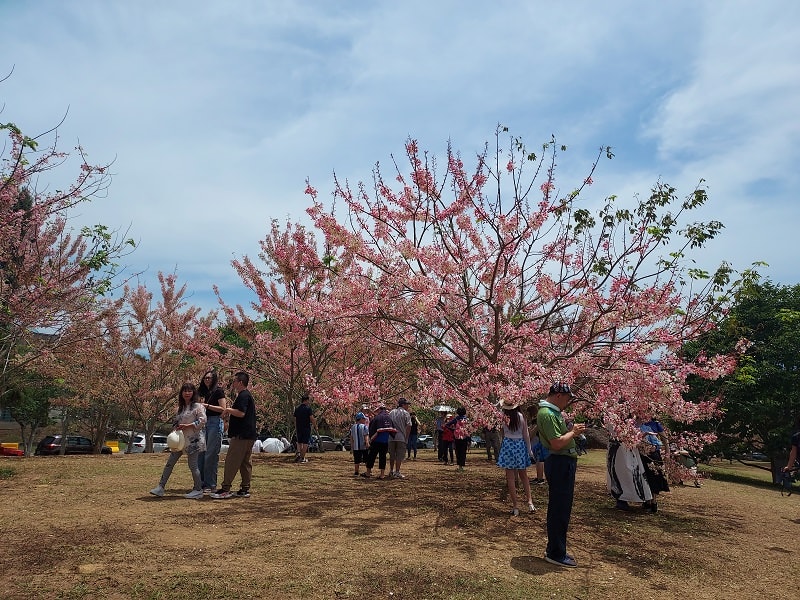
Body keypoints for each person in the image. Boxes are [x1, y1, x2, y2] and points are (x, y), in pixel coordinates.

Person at [537, 382, 586, 568]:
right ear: (558, 395)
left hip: (563, 462)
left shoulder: (553, 413)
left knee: (562, 508)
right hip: (559, 462)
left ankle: (558, 549)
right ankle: (555, 552)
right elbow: (556, 443)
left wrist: (572, 432)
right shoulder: (548, 414)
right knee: (559, 508)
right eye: (567, 398)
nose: (568, 402)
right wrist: (572, 433)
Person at [150, 382, 207, 499]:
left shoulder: (198, 406)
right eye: (185, 391)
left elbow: (202, 420)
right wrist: (176, 426)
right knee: (170, 463)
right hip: (180, 440)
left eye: (189, 391)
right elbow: (176, 421)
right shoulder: (180, 408)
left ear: (193, 392)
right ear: (181, 393)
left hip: (193, 440)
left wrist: (189, 425)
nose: (187, 393)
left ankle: (198, 489)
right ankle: (160, 487)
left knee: (193, 465)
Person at [212, 371, 256, 499]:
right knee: (245, 462)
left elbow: (241, 413)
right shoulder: (247, 395)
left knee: (232, 461)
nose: (233, 383)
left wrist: (228, 410)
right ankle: (245, 489)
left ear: (240, 382)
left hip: (241, 435)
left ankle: (226, 488)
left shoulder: (243, 396)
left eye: (235, 381)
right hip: (249, 435)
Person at [496, 398, 534, 515]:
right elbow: (526, 435)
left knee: (510, 478)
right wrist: (529, 450)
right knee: (524, 476)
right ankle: (530, 502)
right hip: (520, 445)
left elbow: (502, 433)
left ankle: (515, 506)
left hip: (508, 445)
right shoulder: (521, 416)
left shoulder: (503, 417)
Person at [606, 422, 654, 511]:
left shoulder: (626, 421)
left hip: (626, 449)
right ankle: (621, 499)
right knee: (620, 473)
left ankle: (639, 498)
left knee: (630, 472)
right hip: (618, 449)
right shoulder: (612, 421)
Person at [198, 370, 227, 494]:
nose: (207, 380)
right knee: (201, 453)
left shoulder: (218, 391)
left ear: (214, 379)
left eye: (209, 378)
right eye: (205, 378)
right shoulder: (202, 391)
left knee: (211, 454)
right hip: (203, 422)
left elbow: (223, 409)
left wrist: (207, 406)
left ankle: (211, 484)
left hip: (215, 421)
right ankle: (201, 482)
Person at [364, 404, 395, 479]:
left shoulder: (377, 418)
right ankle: (382, 474)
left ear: (379, 410)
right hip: (385, 441)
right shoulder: (389, 418)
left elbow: (371, 428)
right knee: (382, 457)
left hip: (376, 440)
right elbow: (392, 429)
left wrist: (370, 439)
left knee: (371, 456)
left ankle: (368, 472)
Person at [388, 398, 412, 478]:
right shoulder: (406, 413)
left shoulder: (391, 412)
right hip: (401, 436)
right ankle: (397, 471)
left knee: (392, 455)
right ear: (403, 405)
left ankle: (391, 470)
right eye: (407, 405)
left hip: (391, 437)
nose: (408, 406)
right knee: (399, 455)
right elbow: (409, 426)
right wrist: (406, 437)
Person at [293, 393, 316, 464]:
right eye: (308, 400)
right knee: (305, 443)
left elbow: (294, 419)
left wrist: (296, 426)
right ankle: (302, 458)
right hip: (306, 428)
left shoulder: (297, 409)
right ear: (306, 400)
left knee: (299, 442)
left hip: (299, 428)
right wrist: (315, 425)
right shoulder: (308, 409)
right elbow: (312, 418)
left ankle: (299, 454)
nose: (309, 402)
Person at [448, 407, 470, 472]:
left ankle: (459, 465)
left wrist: (453, 430)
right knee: (463, 451)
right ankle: (461, 466)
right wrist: (469, 439)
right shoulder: (466, 420)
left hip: (457, 437)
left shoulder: (456, 419)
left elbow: (447, 424)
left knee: (458, 451)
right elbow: (469, 430)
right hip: (464, 437)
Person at [350, 412, 370, 477]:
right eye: (364, 419)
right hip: (363, 446)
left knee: (356, 460)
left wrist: (352, 448)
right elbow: (366, 436)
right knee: (366, 459)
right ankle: (368, 471)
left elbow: (352, 438)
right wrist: (367, 443)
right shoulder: (364, 427)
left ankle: (356, 471)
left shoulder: (353, 427)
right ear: (360, 419)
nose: (365, 420)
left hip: (356, 447)